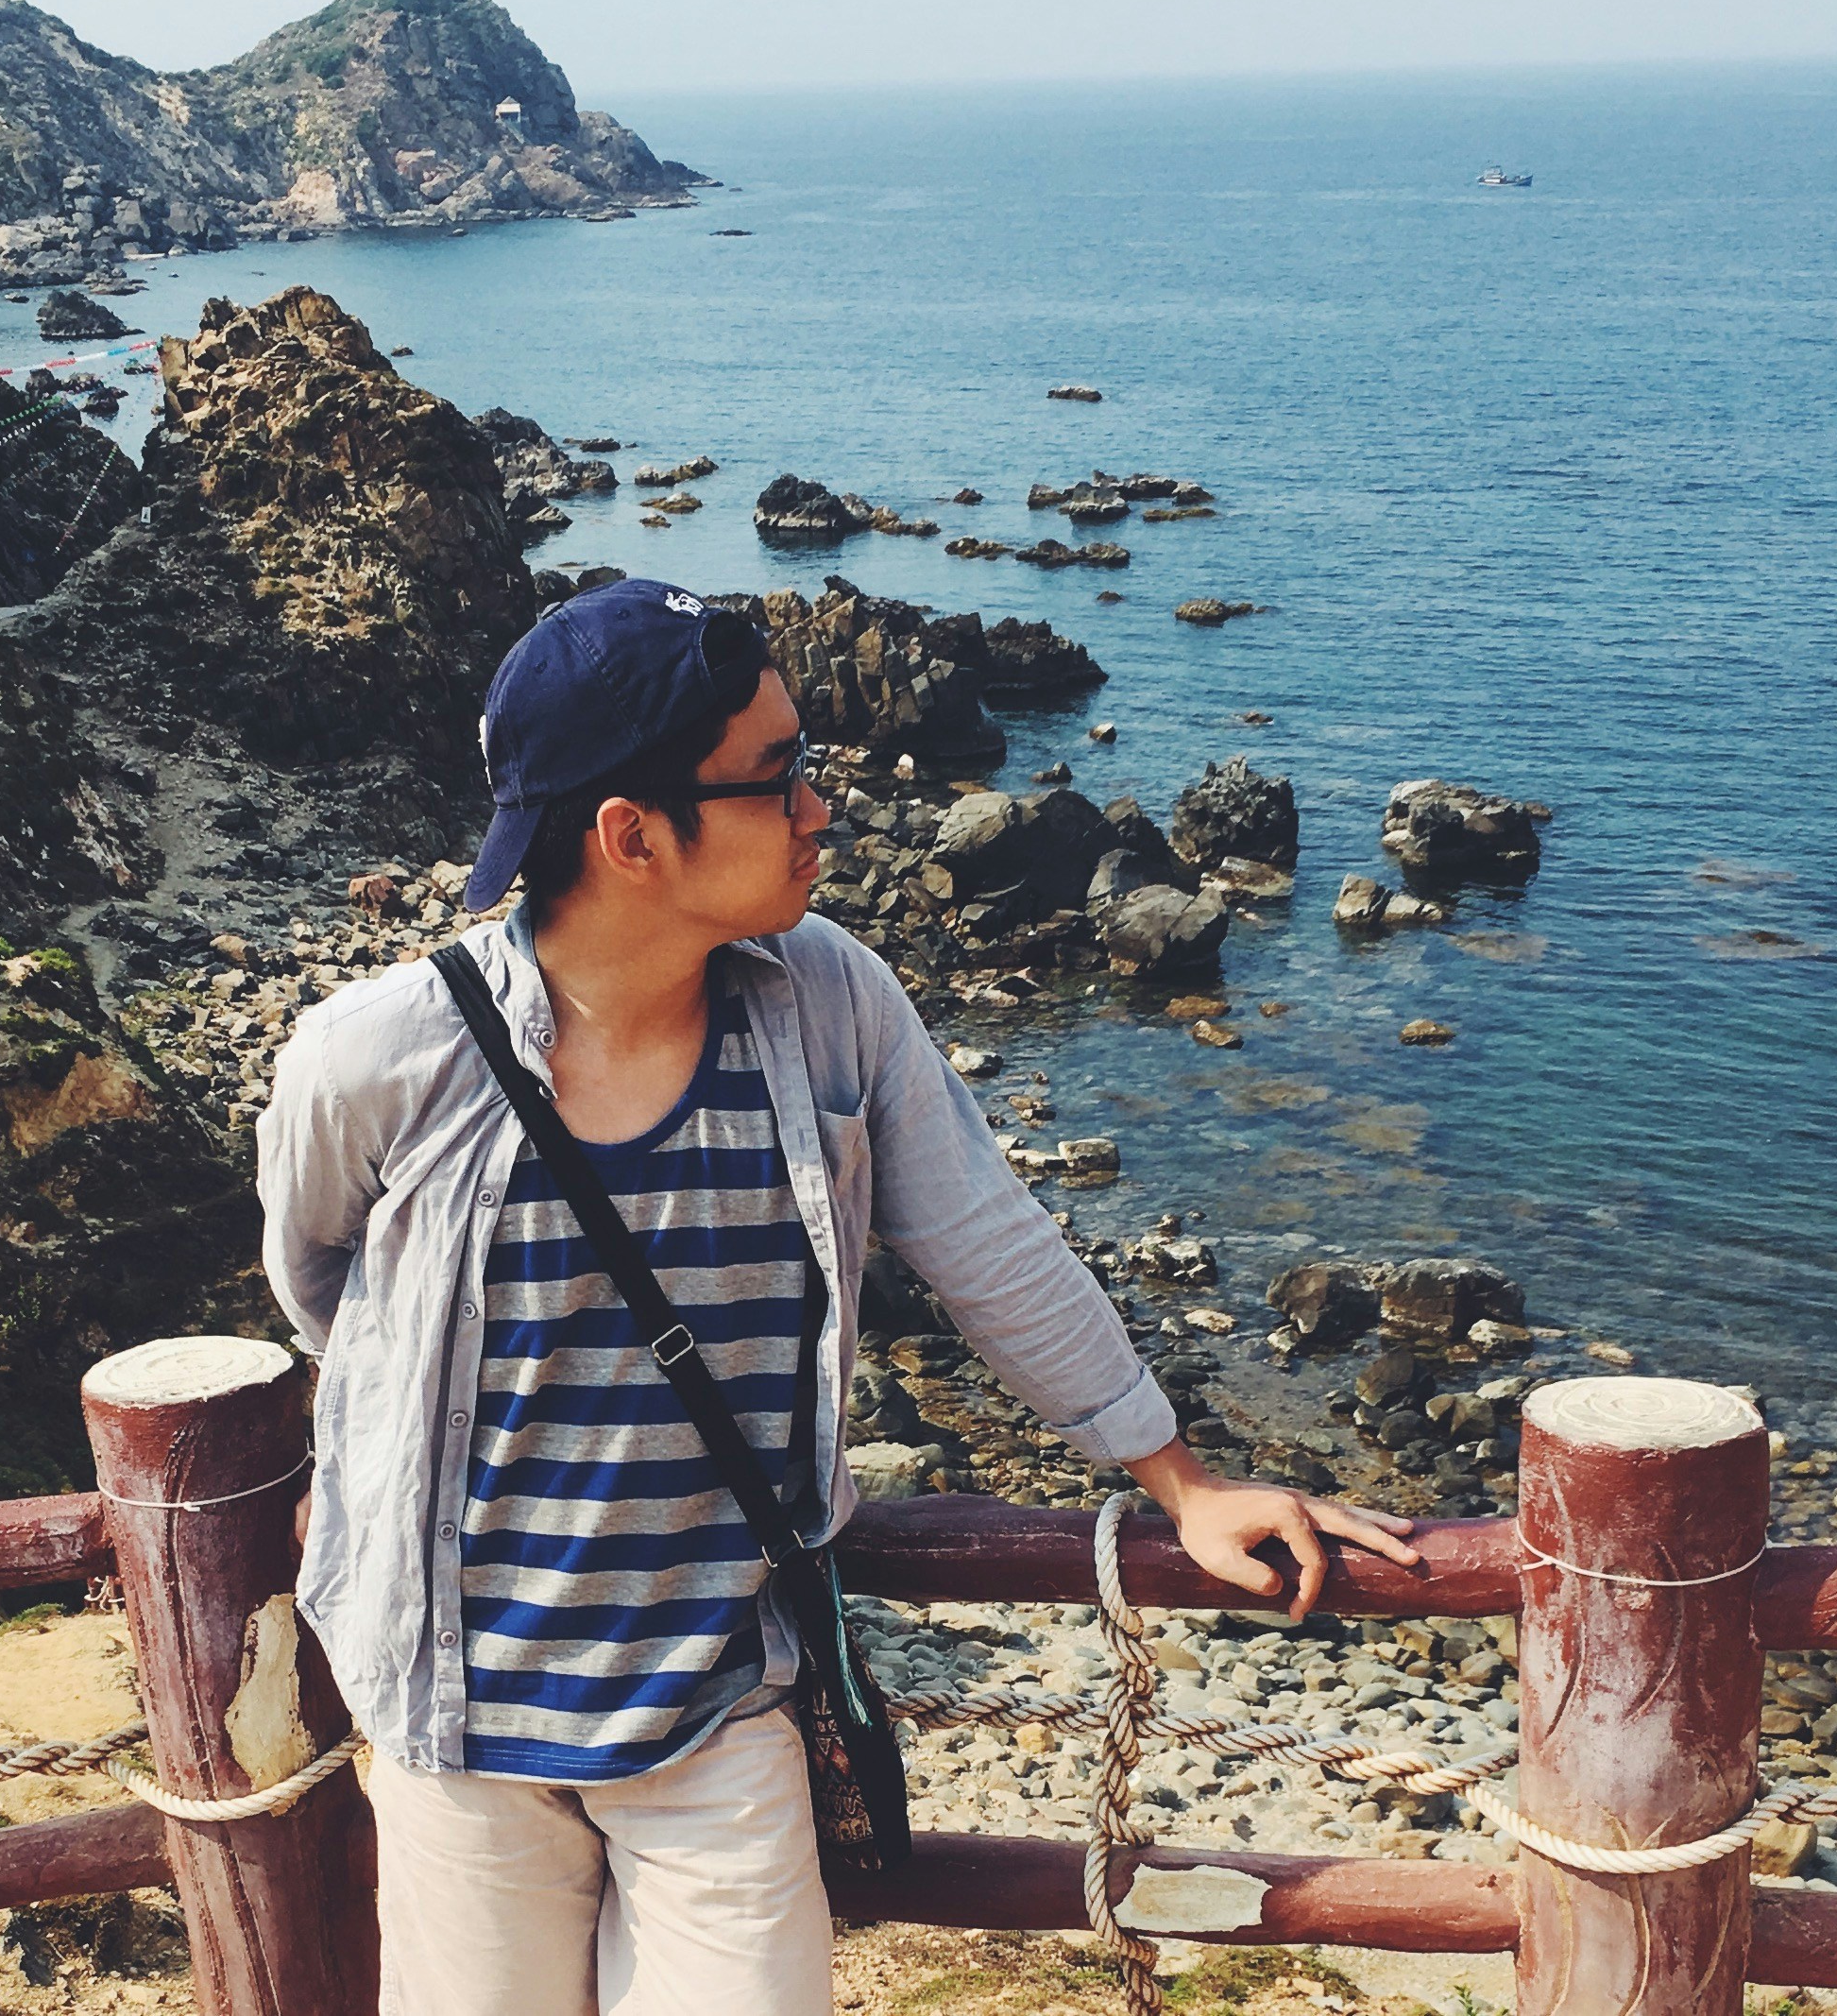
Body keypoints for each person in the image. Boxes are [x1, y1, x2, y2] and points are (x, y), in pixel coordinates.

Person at [260, 579, 1415, 2016]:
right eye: (777, 775)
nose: (822, 807)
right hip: (455, 1720)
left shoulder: (827, 1003)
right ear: (628, 834)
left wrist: (1175, 1481)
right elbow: (328, 1288)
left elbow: (987, 1241)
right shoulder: (382, 1056)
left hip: (720, 1702)